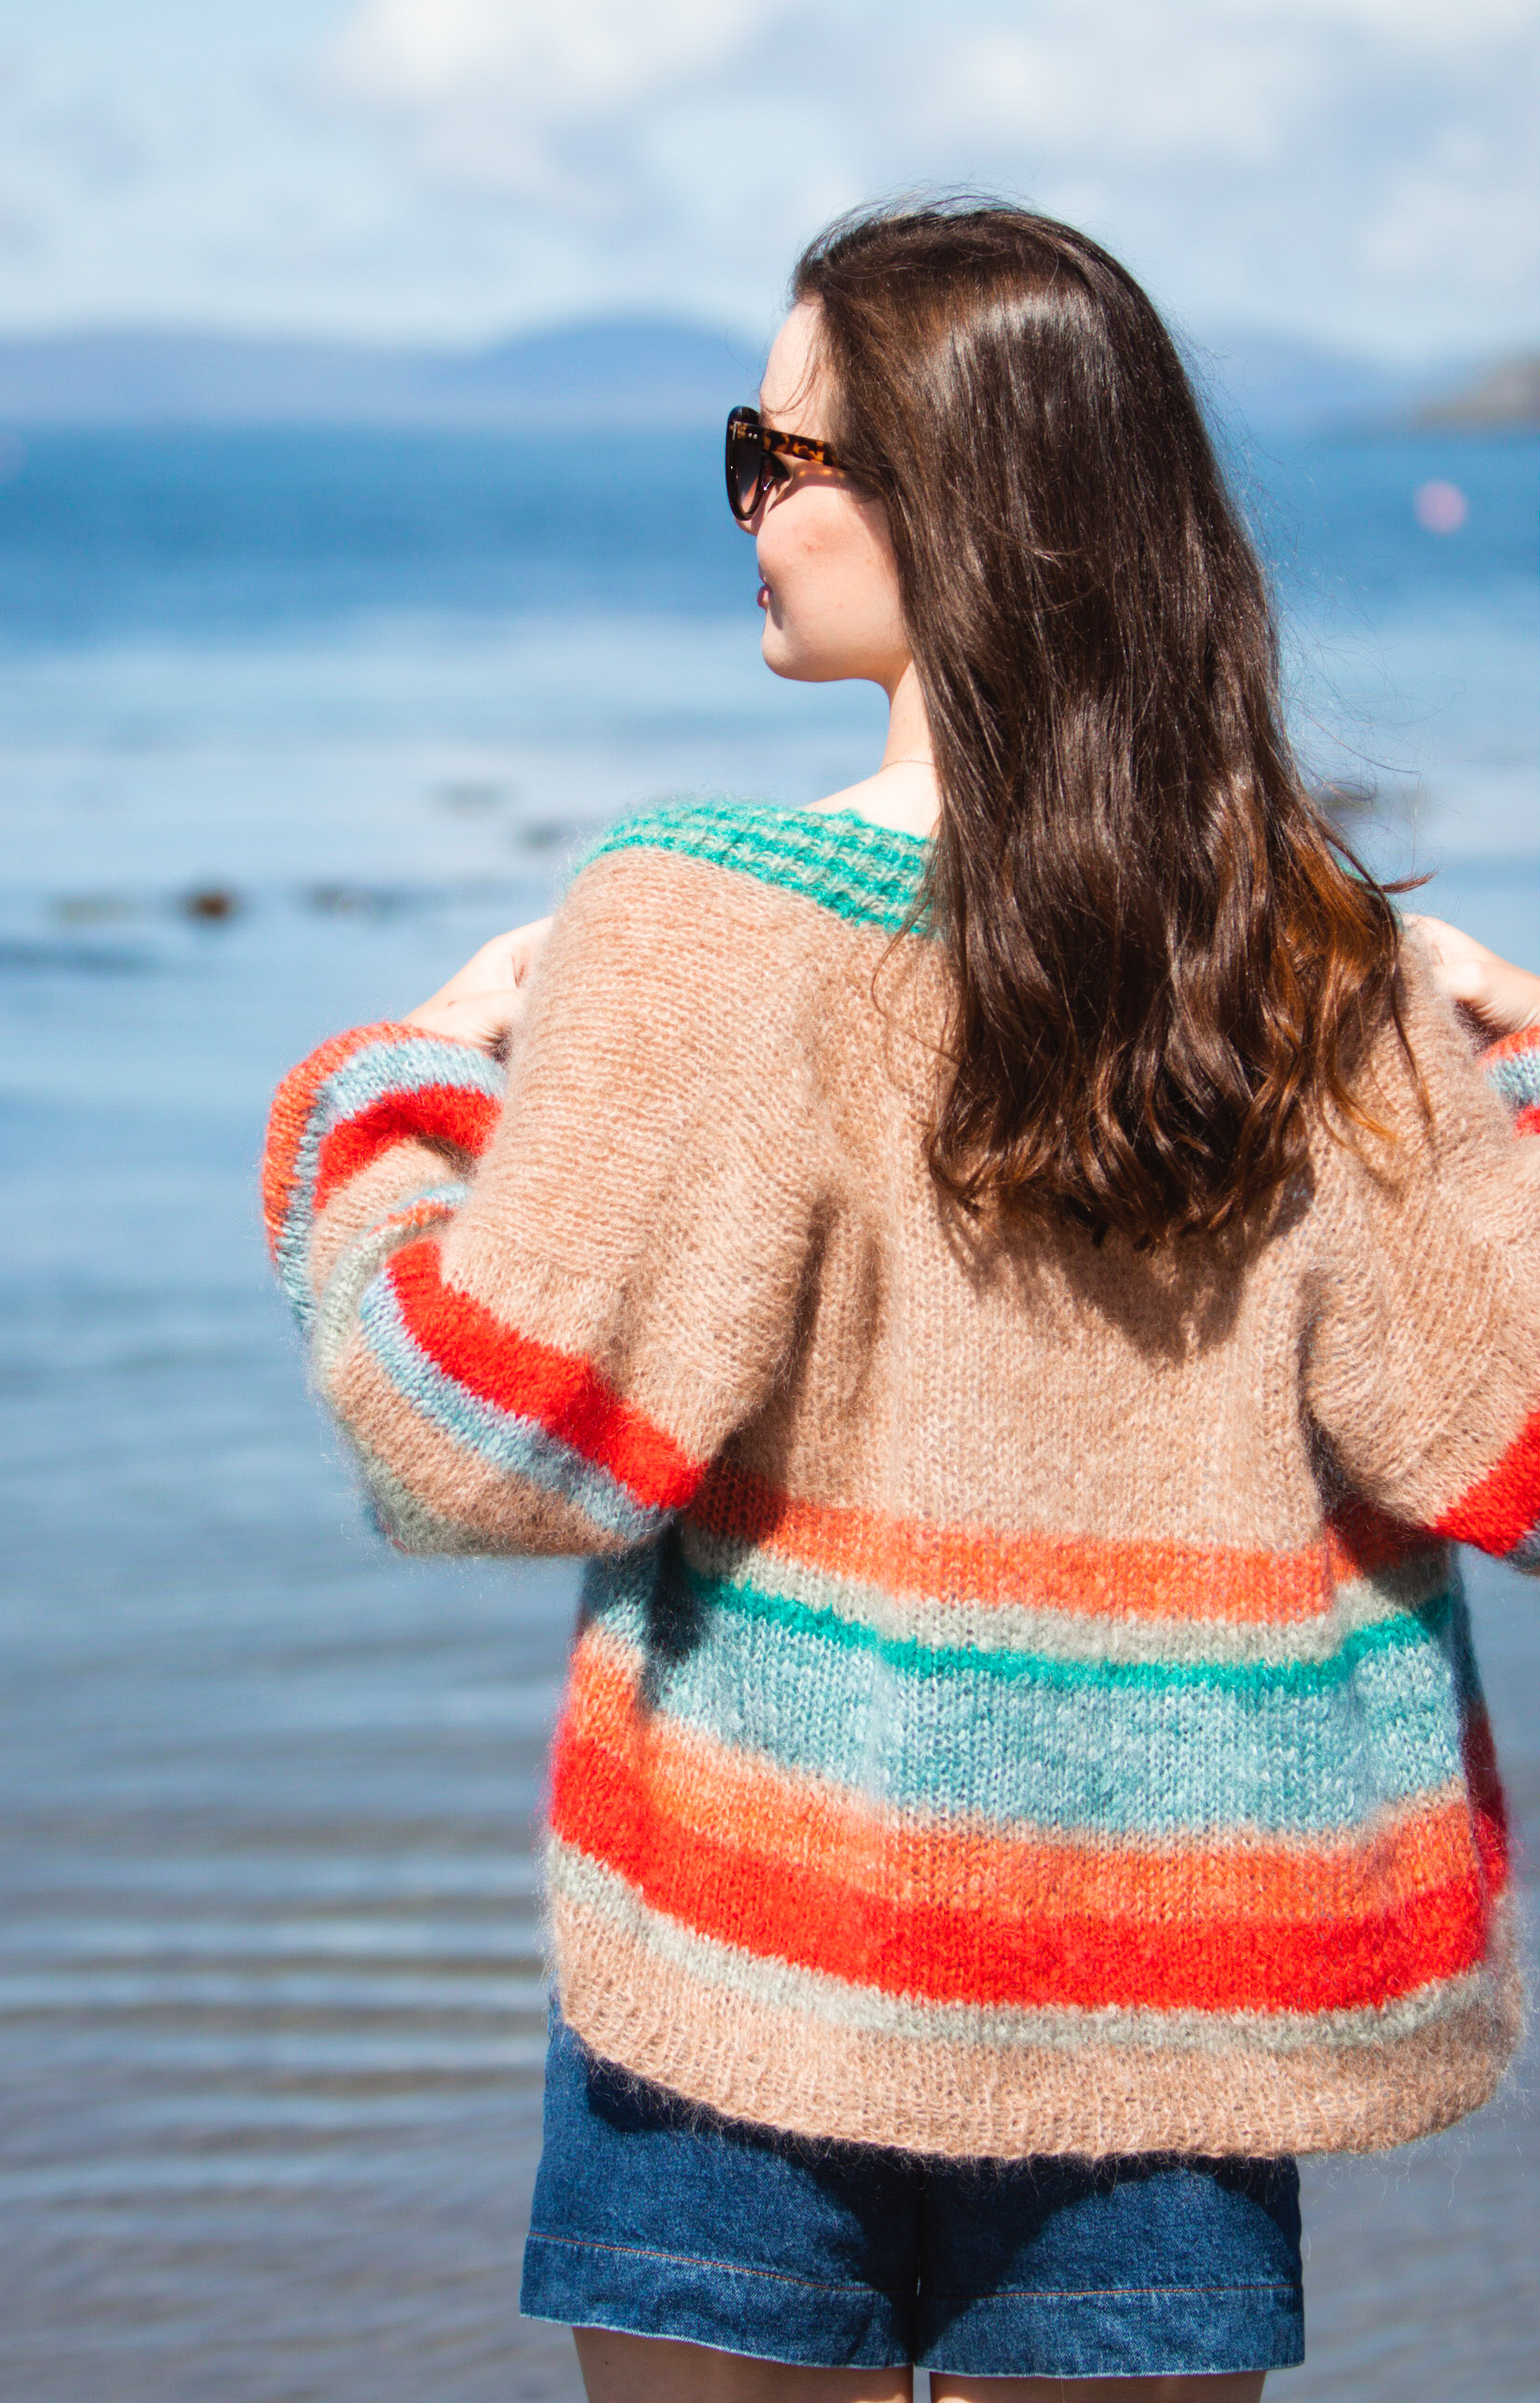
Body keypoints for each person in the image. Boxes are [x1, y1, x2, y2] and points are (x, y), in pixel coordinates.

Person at [263, 203, 1540, 2401]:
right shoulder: (1313, 966)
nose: (748, 512)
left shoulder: (695, 921)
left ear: (950, 495)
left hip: (747, 1964)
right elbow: (1499, 1434)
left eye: (776, 458)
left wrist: (393, 1096)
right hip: (1175, 1986)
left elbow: (486, 1445)